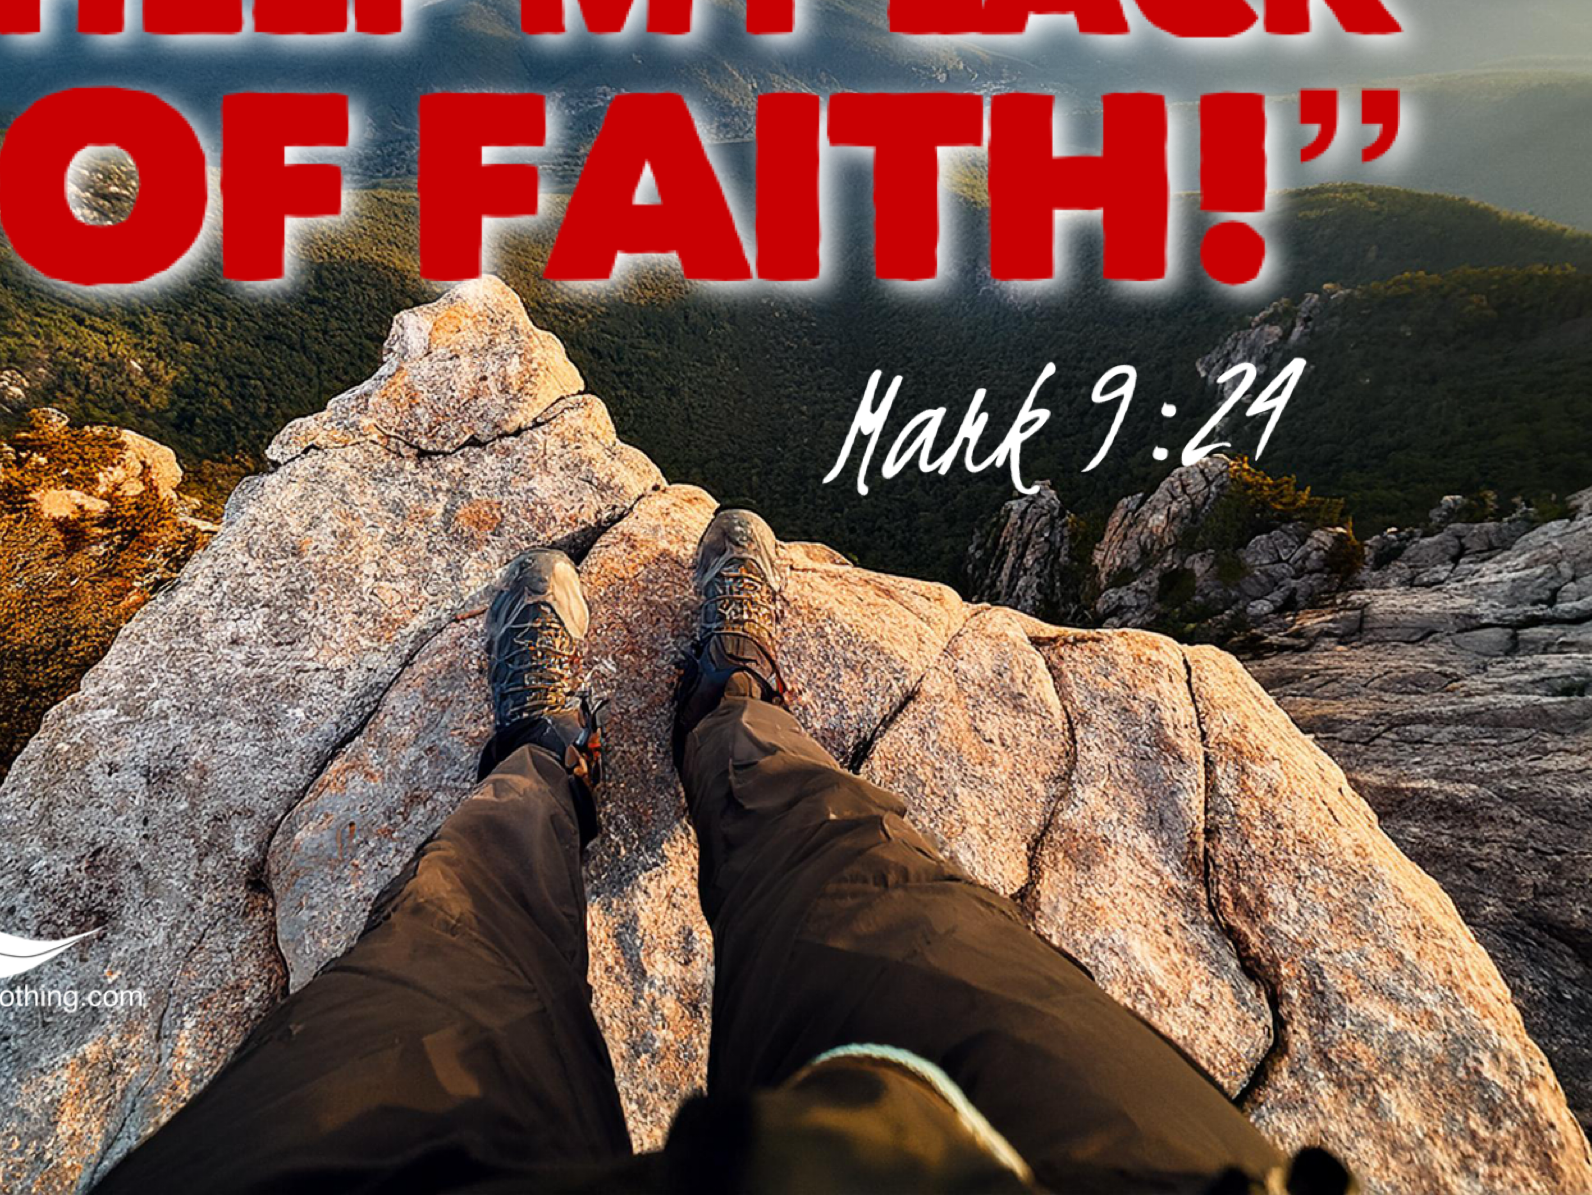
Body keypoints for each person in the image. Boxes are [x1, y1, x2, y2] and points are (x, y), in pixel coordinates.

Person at [97, 510, 1354, 1194]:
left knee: (449, 935)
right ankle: (727, 705)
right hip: (1056, 1161)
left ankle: (547, 754)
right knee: (862, 876)